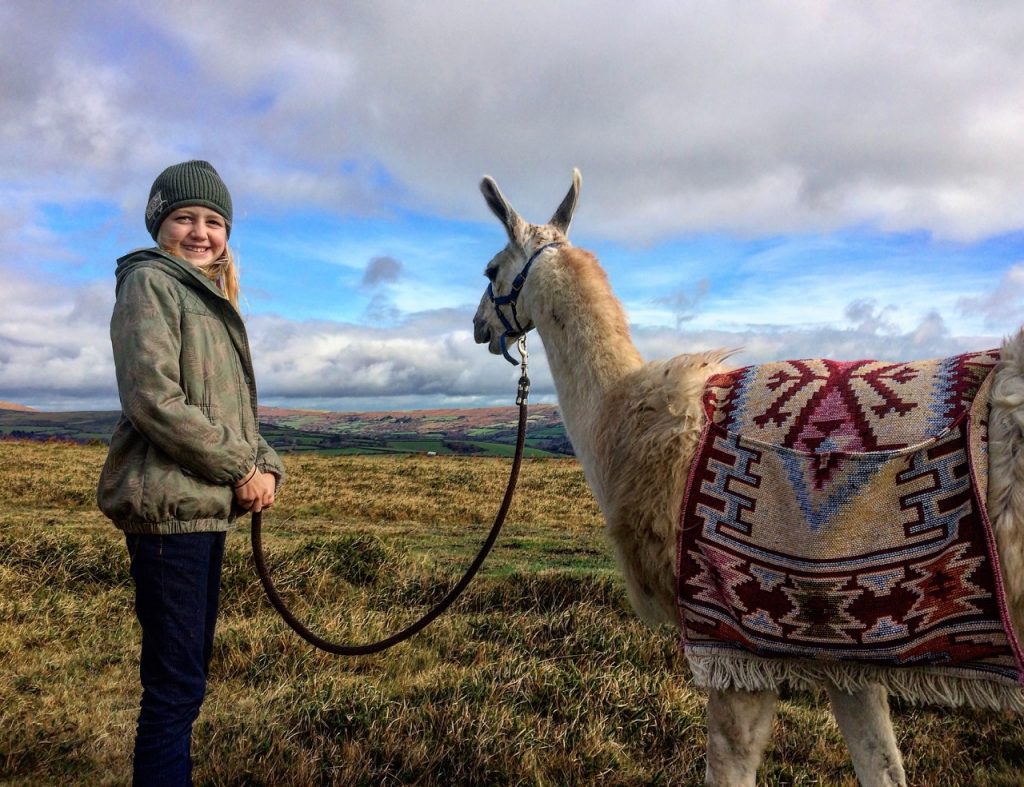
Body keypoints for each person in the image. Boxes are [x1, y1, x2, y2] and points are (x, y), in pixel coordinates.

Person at [97, 160, 285, 785]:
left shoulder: (207, 297)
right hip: (168, 512)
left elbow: (230, 410)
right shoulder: (151, 284)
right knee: (175, 689)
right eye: (185, 218)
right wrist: (240, 466)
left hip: (197, 509)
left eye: (213, 221)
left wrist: (267, 465)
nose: (201, 232)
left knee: (185, 682)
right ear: (159, 224)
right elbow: (154, 398)